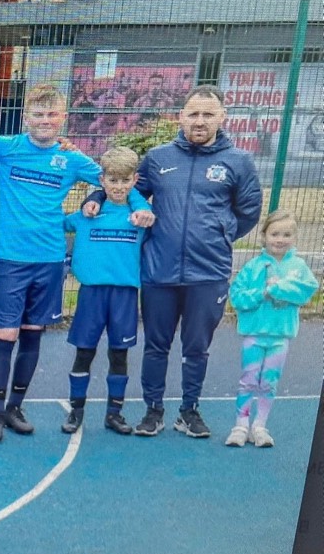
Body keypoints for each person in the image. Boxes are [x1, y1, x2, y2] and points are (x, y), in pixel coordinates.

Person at [0, 83, 152, 443]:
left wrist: (139, 206)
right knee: (5, 333)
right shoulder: (6, 146)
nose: (45, 120)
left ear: (63, 118)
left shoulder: (71, 159)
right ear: (26, 117)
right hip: (13, 259)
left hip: (50, 259)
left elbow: (113, 181)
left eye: (52, 115)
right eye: (38, 114)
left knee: (31, 333)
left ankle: (15, 407)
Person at [84, 85, 262, 439]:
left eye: (208, 114)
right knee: (156, 344)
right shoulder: (158, 158)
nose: (200, 121)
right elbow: (128, 189)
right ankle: (153, 410)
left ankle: (189, 410)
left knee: (197, 347)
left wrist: (219, 234)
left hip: (208, 273)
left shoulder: (238, 162)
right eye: (193, 114)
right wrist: (96, 194)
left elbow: (249, 211)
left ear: (222, 118)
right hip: (159, 270)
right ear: (180, 116)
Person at [60, 146, 149, 435]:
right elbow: (56, 224)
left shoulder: (141, 218)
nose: (119, 187)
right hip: (91, 295)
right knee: (84, 352)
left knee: (119, 355)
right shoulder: (88, 214)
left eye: (125, 181)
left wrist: (144, 209)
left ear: (134, 180)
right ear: (102, 180)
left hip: (124, 295)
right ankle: (76, 410)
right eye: (113, 180)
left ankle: (114, 413)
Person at [224, 210, 318, 448]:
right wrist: (262, 292)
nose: (280, 239)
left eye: (287, 234)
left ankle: (260, 427)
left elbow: (305, 292)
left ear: (294, 238)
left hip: (279, 337)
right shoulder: (253, 267)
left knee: (269, 382)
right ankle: (240, 426)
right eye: (275, 234)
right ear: (264, 236)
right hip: (254, 336)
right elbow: (237, 297)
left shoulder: (299, 268)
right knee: (248, 380)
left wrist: (279, 288)